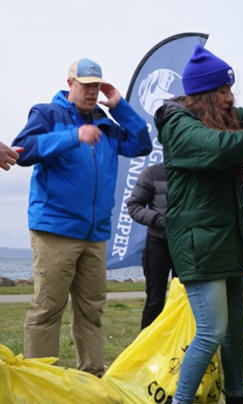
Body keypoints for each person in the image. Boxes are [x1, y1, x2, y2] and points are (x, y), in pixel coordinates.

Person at [155, 45, 243, 404]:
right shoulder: (179, 126)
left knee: (235, 331)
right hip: (197, 244)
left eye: (230, 90)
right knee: (211, 332)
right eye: (222, 91)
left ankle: (236, 397)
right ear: (203, 94)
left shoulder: (224, 115)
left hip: (229, 241)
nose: (229, 98)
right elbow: (219, 147)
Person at [11, 57, 152, 377]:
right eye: (86, 86)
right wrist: (73, 136)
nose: (91, 92)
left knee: (91, 311)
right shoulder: (47, 113)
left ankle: (91, 378)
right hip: (56, 228)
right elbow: (23, 150)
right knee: (48, 309)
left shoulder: (104, 120)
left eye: (96, 86)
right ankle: (41, 380)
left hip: (96, 232)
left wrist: (120, 106)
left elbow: (141, 144)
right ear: (70, 83)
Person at [127, 162, 176, 329]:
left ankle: (184, 349)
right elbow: (134, 205)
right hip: (158, 243)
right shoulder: (152, 173)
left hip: (187, 244)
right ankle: (145, 350)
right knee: (155, 302)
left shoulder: (196, 169)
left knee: (186, 300)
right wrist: (157, 220)